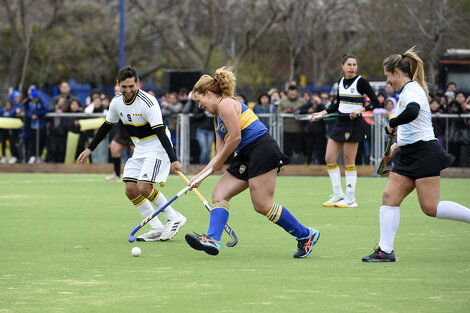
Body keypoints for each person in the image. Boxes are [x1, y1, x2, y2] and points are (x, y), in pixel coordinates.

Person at [185, 67, 320, 258]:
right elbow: (219, 155)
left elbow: (236, 138)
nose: (199, 106)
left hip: (261, 148)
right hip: (246, 155)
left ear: (208, 93)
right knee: (219, 193)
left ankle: (306, 235)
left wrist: (219, 162)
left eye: (199, 101)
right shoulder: (217, 120)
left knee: (263, 205)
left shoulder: (226, 104)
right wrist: (199, 177)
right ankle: (213, 239)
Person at [362, 48, 470, 263]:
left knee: (430, 207)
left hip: (424, 153)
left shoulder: (412, 90)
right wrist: (395, 146)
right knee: (389, 198)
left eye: (387, 76)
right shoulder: (405, 92)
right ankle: (385, 251)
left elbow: (411, 113)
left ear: (395, 72)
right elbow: (410, 126)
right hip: (409, 153)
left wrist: (392, 123)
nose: (387, 81)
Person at [77, 66, 186, 242]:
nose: (128, 91)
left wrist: (173, 160)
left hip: (158, 145)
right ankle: (156, 227)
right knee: (130, 189)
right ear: (118, 84)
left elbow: (159, 132)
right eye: (124, 87)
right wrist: (90, 148)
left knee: (144, 187)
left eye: (131, 86)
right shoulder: (116, 102)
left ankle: (174, 217)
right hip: (140, 147)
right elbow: (106, 126)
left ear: (137, 83)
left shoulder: (148, 102)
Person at [311, 54, 379, 208]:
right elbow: (337, 105)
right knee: (329, 158)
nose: (352, 67)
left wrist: (361, 110)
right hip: (340, 123)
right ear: (343, 66)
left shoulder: (361, 82)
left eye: (354, 65)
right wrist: (321, 114)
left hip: (354, 124)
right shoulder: (340, 82)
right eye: (349, 64)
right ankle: (338, 194)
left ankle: (350, 198)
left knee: (349, 161)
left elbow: (375, 102)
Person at [106, 83, 134, 182]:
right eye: (115, 91)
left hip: (133, 133)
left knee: (137, 153)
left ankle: (137, 175)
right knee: (114, 148)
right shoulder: (115, 103)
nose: (117, 93)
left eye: (118, 91)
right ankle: (117, 174)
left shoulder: (130, 101)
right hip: (122, 133)